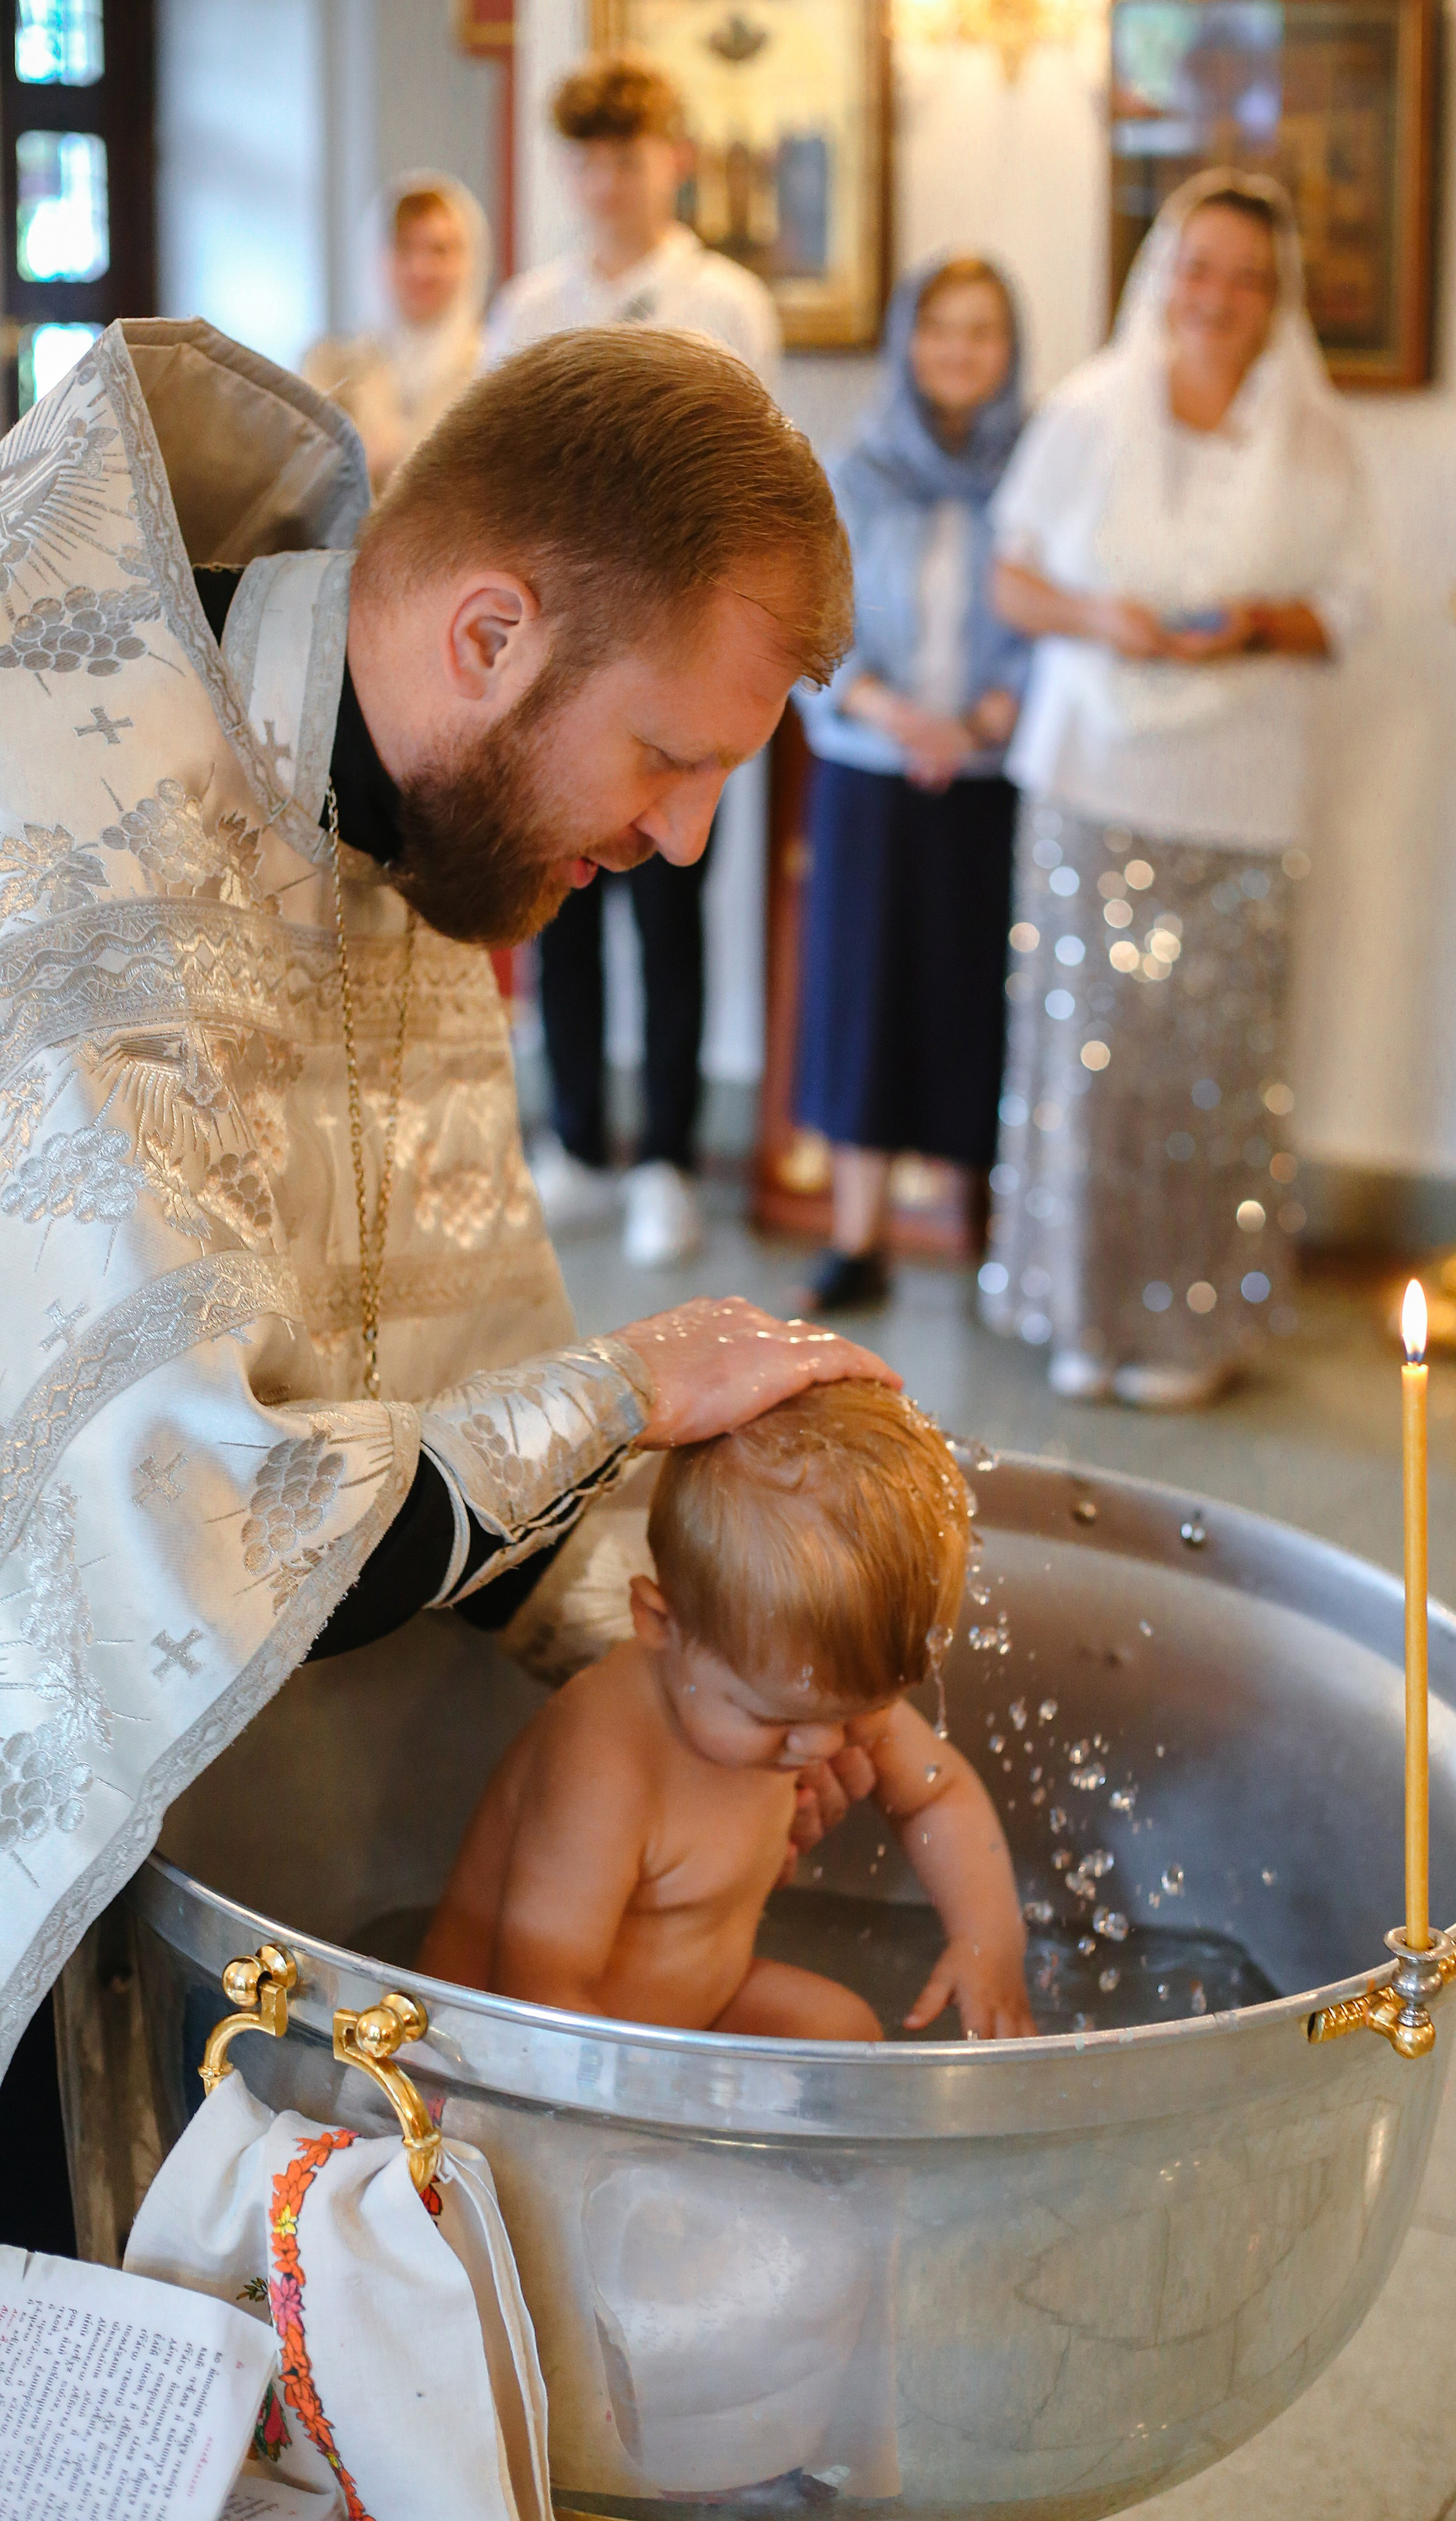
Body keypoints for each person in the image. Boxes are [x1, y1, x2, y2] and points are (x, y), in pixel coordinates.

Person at [0, 317, 893, 2128]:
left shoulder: (394, 807)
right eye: (667, 755)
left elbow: (450, 1347)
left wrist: (727, 1665)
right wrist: (631, 1389)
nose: (693, 840)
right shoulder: (88, 839)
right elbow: (191, 1527)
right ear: (489, 634)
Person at [985, 168, 1373, 1410]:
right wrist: (1103, 615)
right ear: (1163, 273)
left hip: (1241, 787)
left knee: (1212, 1064)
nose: (1218, 297)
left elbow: (1353, 610)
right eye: (1198, 269)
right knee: (1089, 1060)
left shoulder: (1321, 438)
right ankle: (1081, 1308)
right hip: (1092, 770)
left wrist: (1257, 621)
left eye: (1246, 279)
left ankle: (1195, 1322)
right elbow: (1014, 581)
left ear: (1278, 298)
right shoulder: (1090, 411)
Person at [419, 1381, 1034, 2040]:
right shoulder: (606, 1763)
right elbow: (540, 1991)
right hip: (496, 2049)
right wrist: (673, 2116)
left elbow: (937, 1797)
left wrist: (987, 1941)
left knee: (843, 2034)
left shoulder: (805, 1692)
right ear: (660, 1621)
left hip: (696, 2010)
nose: (826, 1748)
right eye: (776, 1721)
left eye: (865, 1712)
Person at [484, 54, 781, 1270]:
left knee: (670, 903)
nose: (609, 180)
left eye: (631, 155)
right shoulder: (529, 306)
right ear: (569, 169)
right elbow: (492, 477)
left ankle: (666, 1155)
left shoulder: (726, 303)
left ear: (675, 160)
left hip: (678, 658)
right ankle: (577, 1146)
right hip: (561, 662)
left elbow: (763, 480)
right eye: (589, 159)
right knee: (555, 898)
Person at [794, 256, 1029, 1314]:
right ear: (907, 343)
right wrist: (897, 715)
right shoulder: (855, 468)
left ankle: (989, 1238)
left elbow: (1051, 619)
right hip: (874, 768)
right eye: (941, 331)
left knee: (984, 1000)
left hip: (994, 771)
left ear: (1010, 351)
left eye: (982, 333)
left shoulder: (1039, 467)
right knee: (866, 998)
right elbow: (812, 617)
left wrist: (984, 719)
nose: (960, 352)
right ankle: (859, 1240)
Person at [303, 171, 490, 495]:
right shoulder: (332, 368)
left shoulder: (495, 365)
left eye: (439, 250)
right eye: (404, 249)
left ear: (470, 258)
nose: (420, 269)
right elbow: (300, 481)